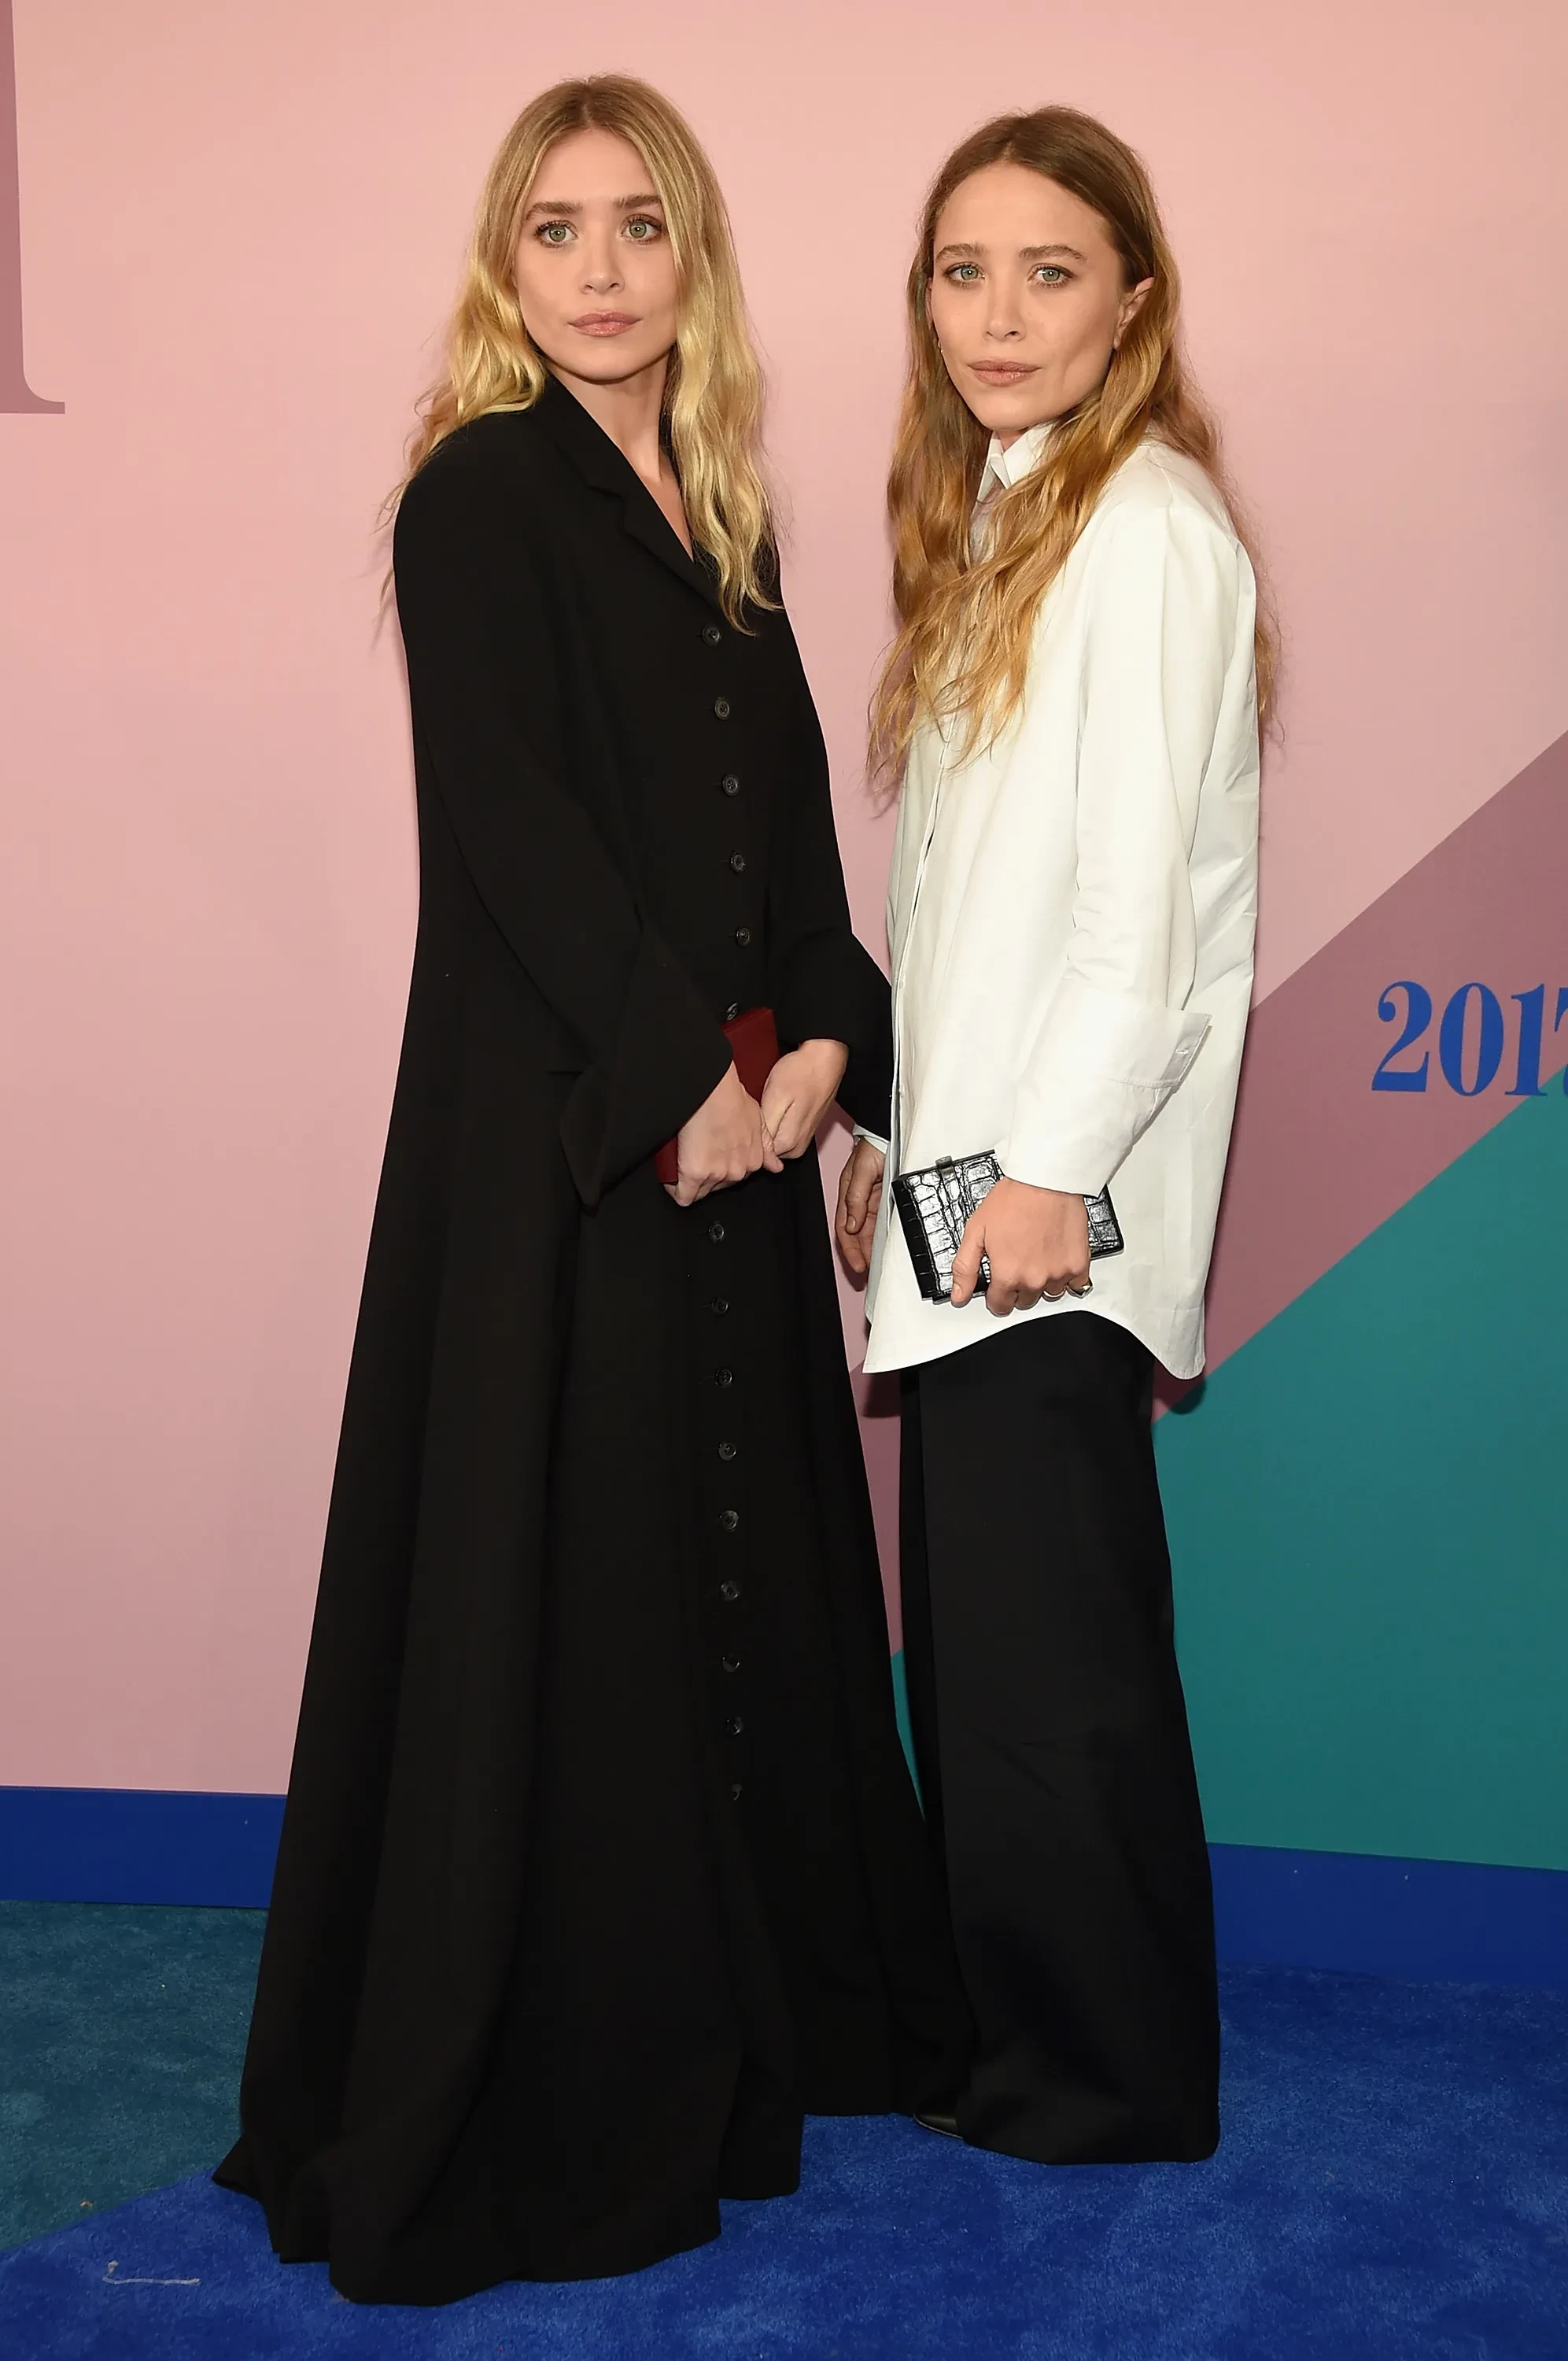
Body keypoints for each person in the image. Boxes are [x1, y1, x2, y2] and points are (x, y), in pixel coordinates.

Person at [218, 74, 968, 2305]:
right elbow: (517, 832)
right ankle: (588, 2052)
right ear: (506, 267)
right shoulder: (476, 497)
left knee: (725, 1581)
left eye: (642, 225)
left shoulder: (731, 528)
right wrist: (680, 1095)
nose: (603, 269)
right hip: (561, 1154)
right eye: (556, 229)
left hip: (729, 1141)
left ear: (695, 259)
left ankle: (770, 1996)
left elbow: (792, 855)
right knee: (582, 1591)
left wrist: (821, 1045)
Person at [837, 105, 1271, 2167]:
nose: (997, 315)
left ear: (1133, 303)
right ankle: (1025, 2043)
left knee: (1054, 1664)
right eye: (962, 271)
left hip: (1044, 1205)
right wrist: (895, 1133)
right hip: (973, 1181)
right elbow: (962, 905)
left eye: (1048, 271)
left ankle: (1107, 2076)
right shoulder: (1009, 518)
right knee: (991, 1659)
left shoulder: (1149, 531)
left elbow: (1141, 925)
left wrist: (1042, 1178)